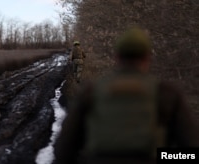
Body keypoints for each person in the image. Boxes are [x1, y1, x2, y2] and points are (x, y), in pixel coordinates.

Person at [53, 28, 199, 164]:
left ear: (116, 57)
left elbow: (63, 150)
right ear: (148, 57)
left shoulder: (91, 91)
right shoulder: (167, 92)